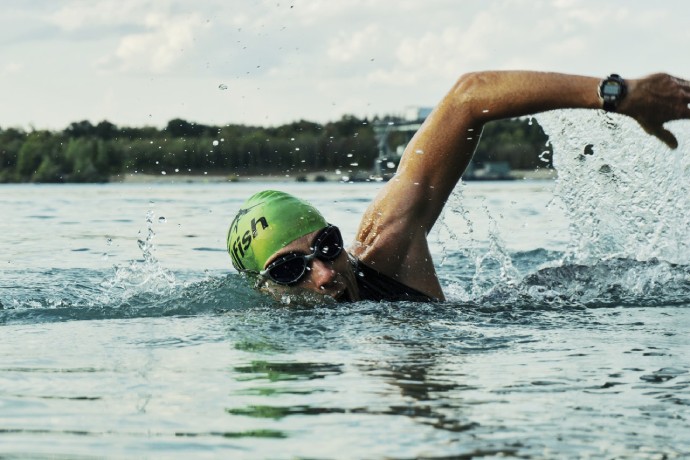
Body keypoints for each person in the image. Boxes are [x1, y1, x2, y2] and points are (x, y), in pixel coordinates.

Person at [227, 71, 690, 303]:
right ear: (264, 288)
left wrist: (619, 95)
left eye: (326, 246)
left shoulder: (386, 247)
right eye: (290, 270)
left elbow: (468, 96)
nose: (325, 274)